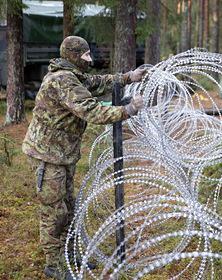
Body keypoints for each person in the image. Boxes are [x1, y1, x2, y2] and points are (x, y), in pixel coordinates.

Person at [22, 36, 146, 279]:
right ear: (73, 56)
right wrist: (128, 110)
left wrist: (129, 77)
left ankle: (68, 255)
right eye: (85, 56)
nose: (89, 60)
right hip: (47, 156)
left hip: (62, 154)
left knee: (68, 206)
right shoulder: (63, 81)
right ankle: (53, 265)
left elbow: (97, 82)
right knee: (54, 211)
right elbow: (90, 109)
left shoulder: (73, 75)